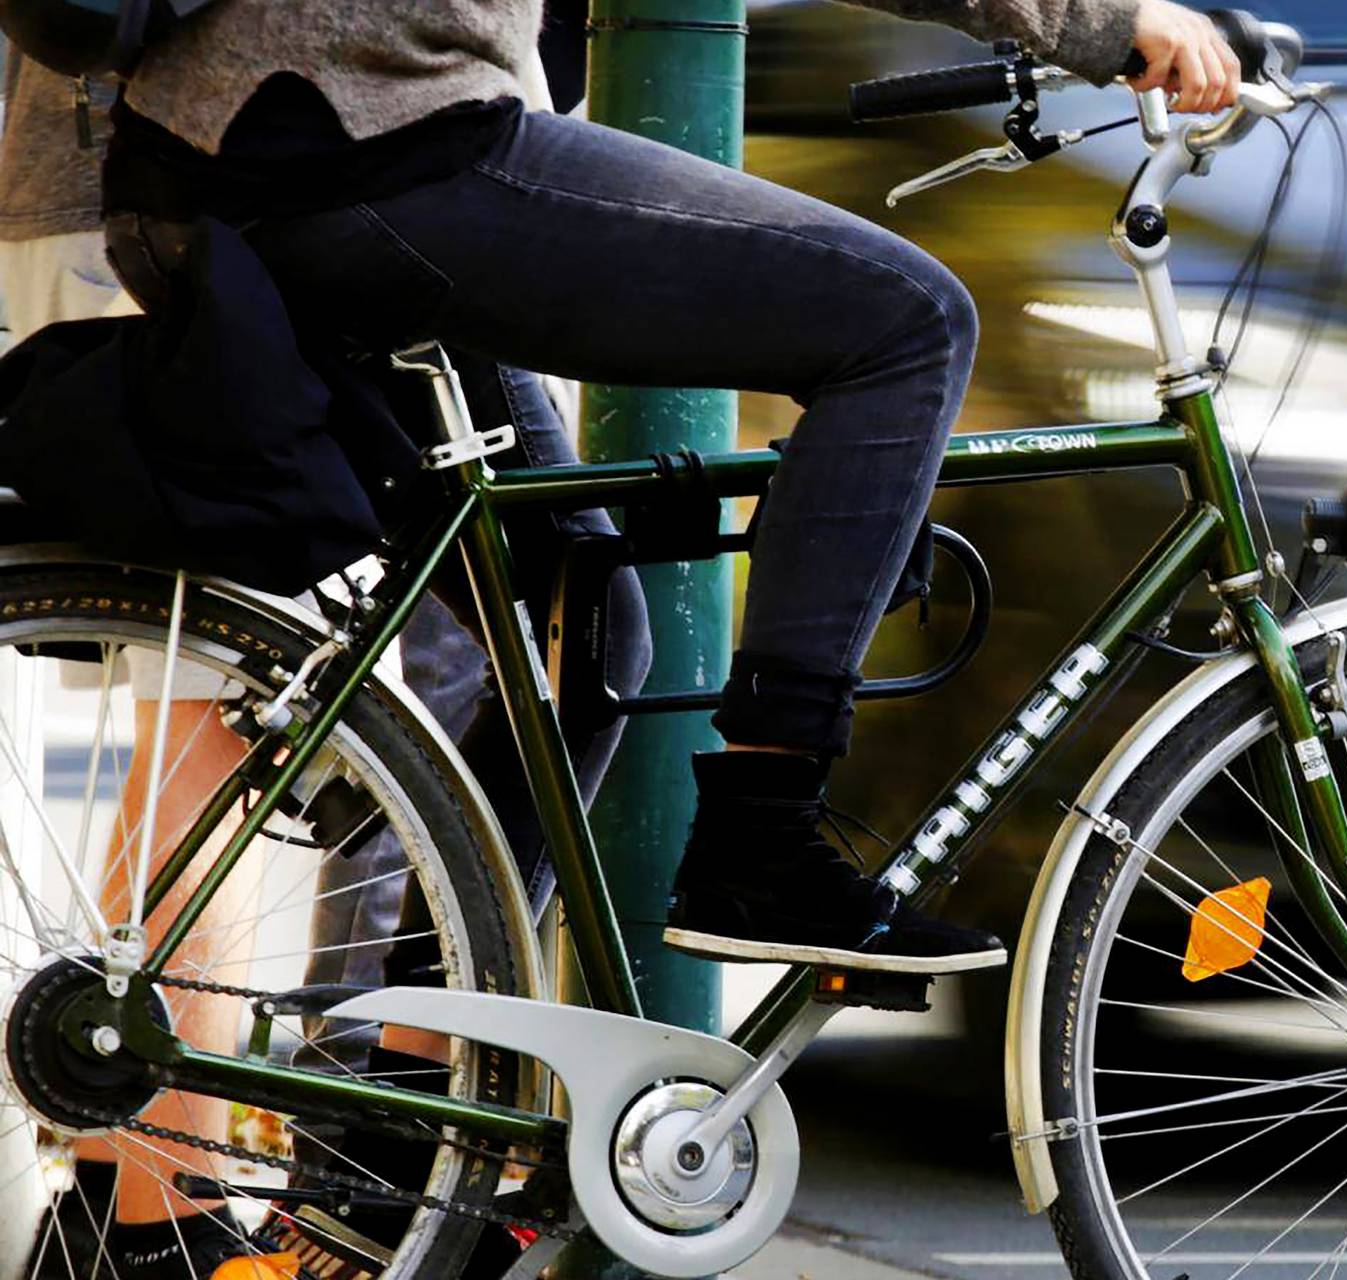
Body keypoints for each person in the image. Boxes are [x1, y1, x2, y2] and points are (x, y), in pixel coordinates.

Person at [105, 0, 1241, 976]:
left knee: (586, 639)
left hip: (242, 160)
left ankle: (404, 1163)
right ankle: (761, 841)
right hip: (362, 140)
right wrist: (1102, 25)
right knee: (906, 323)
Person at [2, 25, 650, 1276]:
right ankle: (173, 1230)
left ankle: (150, 1197)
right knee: (235, 703)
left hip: (133, 189)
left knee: (263, 697)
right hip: (229, 199)